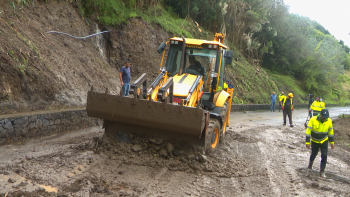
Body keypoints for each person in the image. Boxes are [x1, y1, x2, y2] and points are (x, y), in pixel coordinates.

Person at [306, 109, 334, 178]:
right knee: (314, 154)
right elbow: (308, 131)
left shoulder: (329, 121)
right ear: (320, 115)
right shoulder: (313, 120)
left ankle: (322, 171)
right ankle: (310, 165)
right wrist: (307, 142)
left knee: (324, 155)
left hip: (324, 140)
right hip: (315, 141)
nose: (324, 118)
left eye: (325, 117)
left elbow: (330, 132)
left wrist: (332, 142)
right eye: (323, 117)